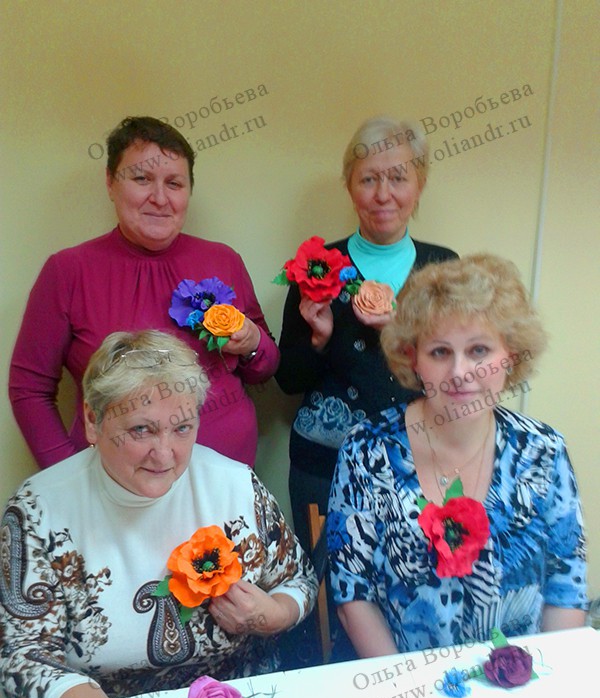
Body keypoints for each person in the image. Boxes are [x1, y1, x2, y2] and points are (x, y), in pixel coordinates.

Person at [0, 330, 317, 698]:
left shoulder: (234, 485)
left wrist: (275, 614)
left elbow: (299, 580)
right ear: (92, 421)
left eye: (182, 428)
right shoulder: (38, 511)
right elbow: (23, 659)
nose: (165, 454)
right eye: (141, 430)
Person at [327, 253, 588, 658]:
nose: (460, 373)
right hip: (399, 681)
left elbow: (566, 586)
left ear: (510, 355)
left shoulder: (544, 450)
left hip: (518, 680)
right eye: (440, 352)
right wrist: (407, 687)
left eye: (479, 350)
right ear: (413, 358)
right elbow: (352, 594)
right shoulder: (366, 449)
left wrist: (543, 680)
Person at [9, 115, 279, 470]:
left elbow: (264, 368)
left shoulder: (223, 260)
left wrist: (253, 343)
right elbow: (29, 388)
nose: (160, 198)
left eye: (174, 183)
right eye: (141, 179)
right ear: (110, 183)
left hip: (226, 477)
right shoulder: (67, 271)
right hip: (112, 484)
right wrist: (68, 476)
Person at [275, 116, 457, 553]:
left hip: (418, 463)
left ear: (420, 184)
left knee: (409, 576)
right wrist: (318, 341)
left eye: (398, 178)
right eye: (369, 179)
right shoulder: (317, 265)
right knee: (327, 582)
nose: (382, 194)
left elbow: (459, 377)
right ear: (349, 185)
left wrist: (400, 333)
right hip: (323, 466)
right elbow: (287, 380)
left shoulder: (444, 268)